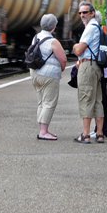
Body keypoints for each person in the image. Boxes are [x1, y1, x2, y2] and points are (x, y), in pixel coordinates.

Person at [30, 13, 68, 141]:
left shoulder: (36, 37)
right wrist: (61, 69)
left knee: (41, 102)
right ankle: (43, 132)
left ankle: (42, 129)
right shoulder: (53, 41)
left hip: (35, 73)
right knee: (49, 103)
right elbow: (63, 59)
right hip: (49, 76)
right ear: (54, 27)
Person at [71, 1, 105, 144]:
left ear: (92, 13)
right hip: (96, 66)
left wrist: (74, 46)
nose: (82, 15)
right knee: (97, 100)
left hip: (87, 66)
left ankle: (85, 135)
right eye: (80, 13)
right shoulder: (97, 26)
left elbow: (79, 50)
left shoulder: (90, 28)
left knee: (86, 98)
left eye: (85, 12)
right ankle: (99, 134)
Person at [91, 10, 107, 139]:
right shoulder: (102, 32)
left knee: (99, 99)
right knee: (102, 98)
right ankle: (102, 128)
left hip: (98, 67)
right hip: (104, 68)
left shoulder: (96, 32)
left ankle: (101, 129)